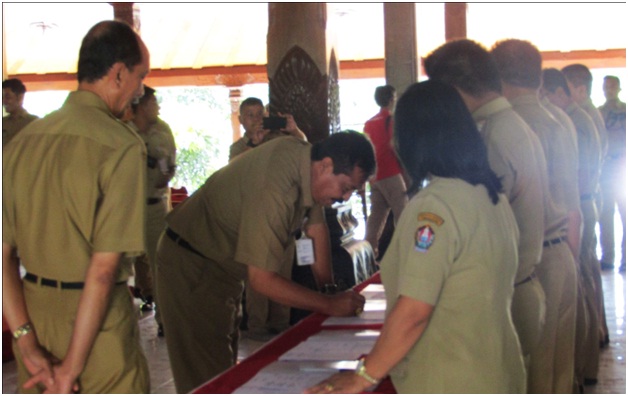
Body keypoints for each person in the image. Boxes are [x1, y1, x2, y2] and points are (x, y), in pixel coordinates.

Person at [306, 80, 525, 394]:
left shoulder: (434, 207)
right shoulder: (490, 194)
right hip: (496, 369)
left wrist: (363, 377)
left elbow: (414, 311)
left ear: (414, 139)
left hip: (449, 378)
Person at [156, 131, 375, 393]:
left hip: (221, 268)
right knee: (207, 381)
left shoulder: (306, 165)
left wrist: (329, 292)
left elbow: (316, 230)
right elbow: (262, 280)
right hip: (192, 264)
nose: (347, 197)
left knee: (224, 370)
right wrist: (328, 304)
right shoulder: (277, 184)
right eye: (347, 187)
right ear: (326, 165)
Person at [2, 20, 151, 393]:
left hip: (34, 314)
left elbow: (3, 254)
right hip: (96, 329)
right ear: (118, 74)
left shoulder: (22, 143)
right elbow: (101, 272)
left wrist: (25, 341)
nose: (140, 89)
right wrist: (71, 370)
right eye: (140, 76)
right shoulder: (122, 146)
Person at [423, 39, 547, 372]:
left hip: (501, 298)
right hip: (519, 287)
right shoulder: (513, 125)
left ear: (452, 89)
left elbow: (479, 229)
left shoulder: (492, 136)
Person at [491, 38, 580, 394]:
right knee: (559, 369)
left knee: (531, 373)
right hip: (561, 254)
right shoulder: (560, 120)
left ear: (497, 77)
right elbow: (573, 203)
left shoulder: (504, 126)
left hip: (529, 261)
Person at [541, 67, 603, 389]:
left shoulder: (571, 121)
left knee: (580, 292)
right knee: (585, 288)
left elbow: (572, 176)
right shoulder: (580, 117)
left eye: (545, 96)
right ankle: (586, 368)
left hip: (577, 208)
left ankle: (581, 371)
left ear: (557, 93)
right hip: (585, 202)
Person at [128, 86, 177, 337]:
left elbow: (170, 165)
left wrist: (166, 172)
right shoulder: (122, 129)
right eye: (153, 101)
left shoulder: (162, 130)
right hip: (125, 208)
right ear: (141, 104)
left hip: (154, 207)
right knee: (120, 265)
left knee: (161, 264)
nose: (157, 106)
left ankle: (165, 320)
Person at [363, 85, 408, 259]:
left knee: (376, 220)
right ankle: (406, 257)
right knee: (404, 217)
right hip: (391, 173)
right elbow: (395, 146)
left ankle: (368, 258)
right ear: (391, 100)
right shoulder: (392, 120)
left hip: (375, 177)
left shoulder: (369, 123)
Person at [597, 75, 626, 273]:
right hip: (606, 169)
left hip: (623, 166)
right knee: (605, 214)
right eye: (607, 87)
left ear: (619, 88)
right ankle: (608, 257)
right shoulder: (598, 113)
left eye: (613, 86)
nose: (610, 90)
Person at [229, 96, 306, 161]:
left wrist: (294, 130)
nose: (256, 119)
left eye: (260, 114)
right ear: (240, 120)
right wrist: (253, 143)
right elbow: (232, 169)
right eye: (250, 115)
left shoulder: (277, 137)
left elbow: (303, 146)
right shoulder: (237, 147)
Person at [2, 78, 39, 146]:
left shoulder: (34, 123)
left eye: (7, 97)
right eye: (2, 97)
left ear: (20, 97)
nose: (3, 101)